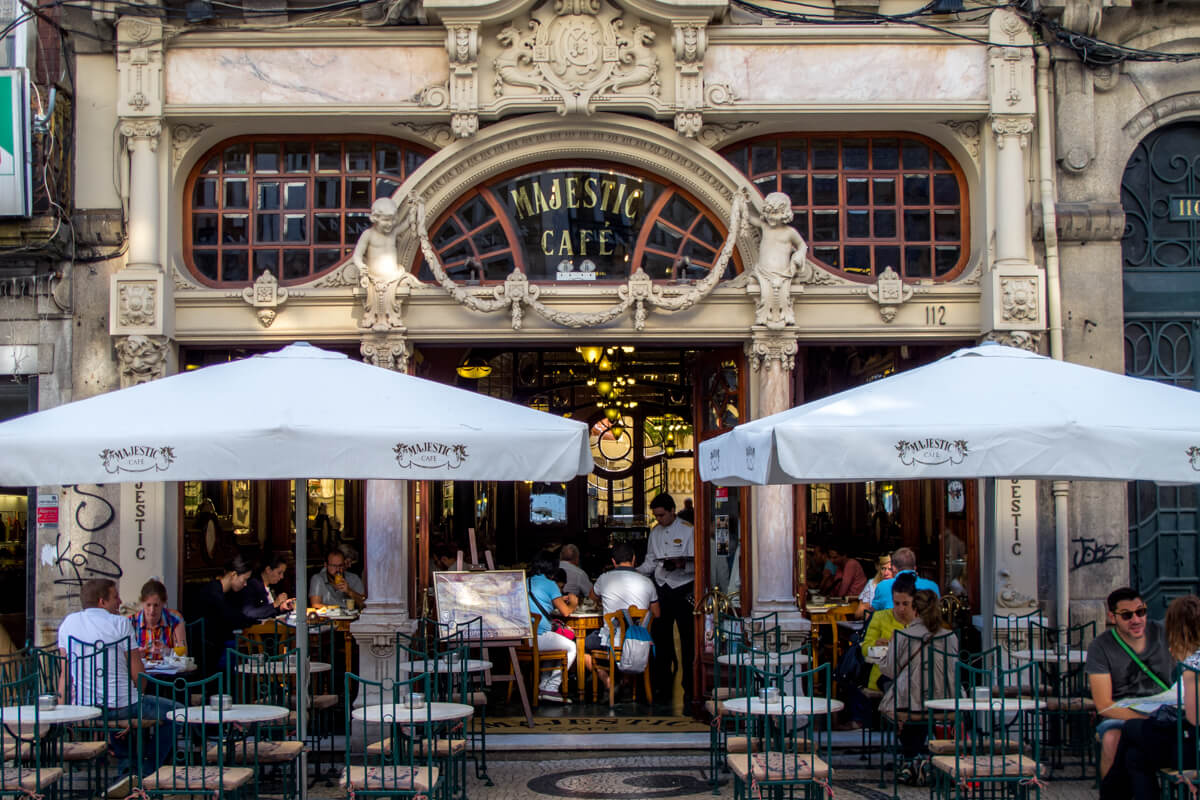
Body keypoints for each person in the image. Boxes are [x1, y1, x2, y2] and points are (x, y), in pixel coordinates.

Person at [58, 579, 179, 784]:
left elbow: (65, 674)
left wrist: (63, 712)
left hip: (84, 707)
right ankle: (147, 771)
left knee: (121, 707)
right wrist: (137, 699)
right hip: (122, 706)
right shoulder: (121, 623)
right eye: (116, 597)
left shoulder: (68, 624)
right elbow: (138, 675)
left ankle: (127, 767)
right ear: (102, 601)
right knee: (176, 712)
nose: (120, 601)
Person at [1101, 595, 1200, 800]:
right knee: (1134, 756)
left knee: (1130, 730)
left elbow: (1194, 717)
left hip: (1195, 750)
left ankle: (1109, 796)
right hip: (1191, 743)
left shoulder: (1193, 664)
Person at [1088, 587, 1175, 778]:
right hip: (1123, 713)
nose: (1136, 620)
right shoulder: (1100, 646)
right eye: (1127, 615)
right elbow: (1104, 706)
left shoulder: (1164, 632)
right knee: (1112, 739)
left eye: (1140, 612)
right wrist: (1148, 720)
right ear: (1113, 617)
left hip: (1164, 710)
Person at [879, 581, 959, 786]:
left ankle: (909, 759)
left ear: (914, 609)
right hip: (947, 701)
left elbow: (889, 670)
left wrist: (883, 657)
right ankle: (922, 759)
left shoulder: (903, 635)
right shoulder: (950, 636)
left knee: (906, 701)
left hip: (910, 703)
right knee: (922, 702)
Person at [637, 492, 695, 706]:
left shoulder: (689, 531)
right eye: (656, 516)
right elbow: (650, 562)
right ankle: (661, 683)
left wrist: (682, 564)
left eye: (662, 515)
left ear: (672, 511)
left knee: (688, 637)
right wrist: (634, 571)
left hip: (683, 587)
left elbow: (699, 563)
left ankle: (690, 686)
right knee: (660, 636)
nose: (659, 519)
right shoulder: (655, 533)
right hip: (662, 588)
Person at [587, 542, 660, 694]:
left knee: (581, 645)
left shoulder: (604, 578)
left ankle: (606, 679)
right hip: (639, 642)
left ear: (613, 562)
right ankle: (626, 680)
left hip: (610, 643)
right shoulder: (647, 582)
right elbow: (657, 613)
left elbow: (592, 596)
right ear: (634, 560)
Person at [527, 550, 578, 704]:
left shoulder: (527, 580)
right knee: (571, 647)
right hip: (539, 637)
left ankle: (543, 687)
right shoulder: (550, 584)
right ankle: (552, 687)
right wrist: (574, 602)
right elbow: (565, 612)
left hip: (524, 638)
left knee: (555, 647)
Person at [192, 554, 256, 675]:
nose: (245, 584)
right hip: (206, 651)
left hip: (214, 646)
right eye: (244, 579)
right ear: (233, 575)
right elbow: (230, 617)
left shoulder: (225, 592)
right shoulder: (213, 592)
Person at [129, 579, 187, 662]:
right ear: (142, 603)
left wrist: (168, 651)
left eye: (156, 605)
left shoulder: (174, 619)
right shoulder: (131, 622)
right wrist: (136, 655)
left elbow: (184, 654)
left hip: (169, 672)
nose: (152, 610)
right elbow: (123, 658)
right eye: (148, 605)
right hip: (142, 672)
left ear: (164, 603)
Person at [871, 547, 940, 610]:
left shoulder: (882, 586)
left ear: (894, 568)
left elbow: (873, 615)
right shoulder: (933, 586)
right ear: (915, 568)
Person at [242, 555, 296, 620]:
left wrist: (282, 607)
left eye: (283, 573)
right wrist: (275, 604)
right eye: (279, 573)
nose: (282, 577)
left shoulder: (272, 587)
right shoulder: (252, 585)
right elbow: (250, 613)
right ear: (268, 570)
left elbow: (272, 611)